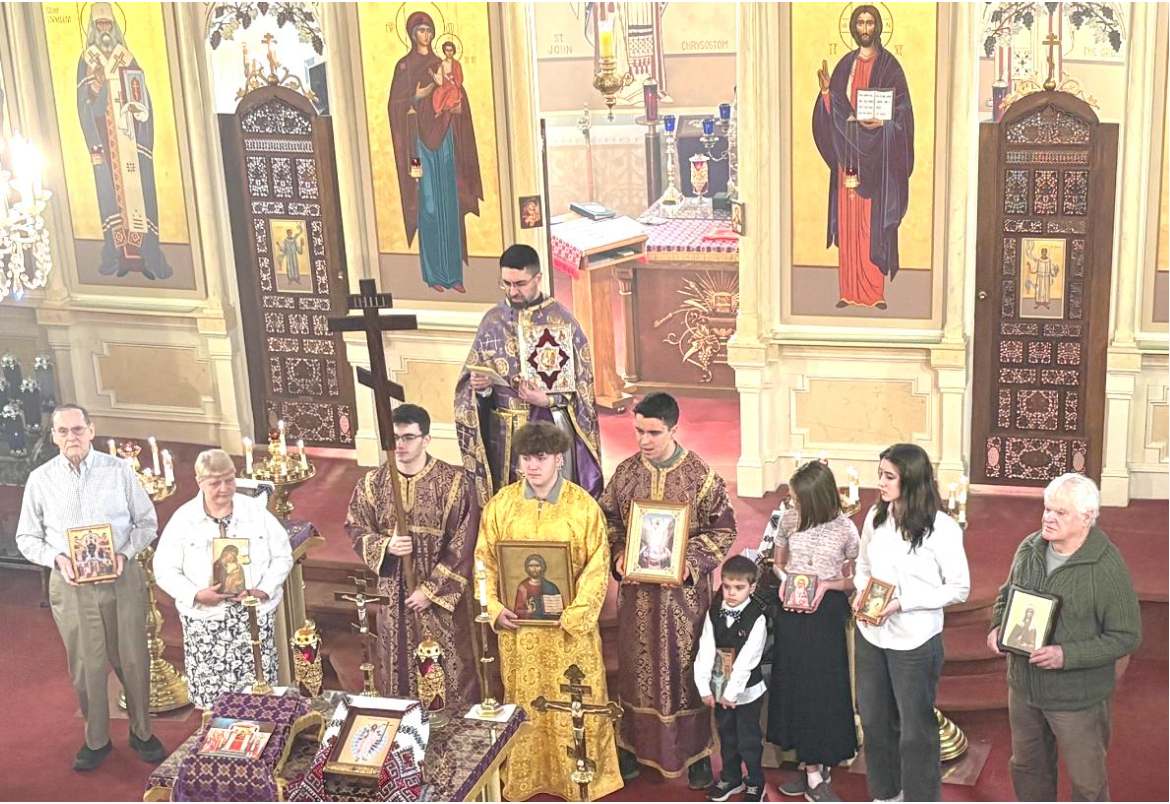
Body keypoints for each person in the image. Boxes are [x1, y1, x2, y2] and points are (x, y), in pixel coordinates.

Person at [474, 422, 621, 801]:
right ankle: (527, 777)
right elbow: (485, 562)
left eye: (541, 458)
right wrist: (494, 607)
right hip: (520, 633)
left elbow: (597, 567)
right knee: (525, 703)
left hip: (569, 632)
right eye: (526, 458)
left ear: (559, 459)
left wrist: (573, 616)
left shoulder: (582, 507)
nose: (533, 466)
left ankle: (581, 778)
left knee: (575, 704)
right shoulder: (501, 505)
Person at [16, 404, 165, 770]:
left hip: (121, 576)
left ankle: (142, 732)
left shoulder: (119, 472)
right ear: (53, 436)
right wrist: (57, 559)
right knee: (86, 664)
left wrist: (126, 553)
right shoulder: (40, 479)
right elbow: (26, 537)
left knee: (132, 657)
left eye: (78, 430)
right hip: (71, 584)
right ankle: (96, 739)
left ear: (92, 430)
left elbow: (147, 522)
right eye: (63, 431)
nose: (72, 437)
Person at [598, 392, 736, 788]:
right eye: (639, 430)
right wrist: (620, 554)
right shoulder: (625, 473)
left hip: (683, 600)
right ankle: (633, 748)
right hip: (637, 598)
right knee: (635, 669)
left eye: (654, 432)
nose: (644, 440)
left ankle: (693, 753)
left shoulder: (701, 476)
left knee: (684, 669)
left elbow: (723, 530)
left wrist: (687, 563)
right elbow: (607, 521)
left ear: (674, 429)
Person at [987, 474, 1140, 802]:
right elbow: (1005, 595)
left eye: (1060, 512)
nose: (1048, 518)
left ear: (1087, 518)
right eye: (1047, 509)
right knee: (1027, 767)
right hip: (1024, 687)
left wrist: (1066, 655)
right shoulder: (1029, 548)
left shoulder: (1106, 568)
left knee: (1087, 784)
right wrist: (998, 626)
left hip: (1076, 699)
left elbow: (1126, 636)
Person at [346, 403, 481, 715]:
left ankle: (449, 721)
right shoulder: (372, 484)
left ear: (427, 439)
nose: (400, 446)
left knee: (446, 662)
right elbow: (356, 526)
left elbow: (464, 543)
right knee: (396, 663)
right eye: (394, 438)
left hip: (439, 599)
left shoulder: (455, 484)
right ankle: (402, 724)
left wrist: (430, 591)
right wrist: (385, 546)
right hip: (393, 593)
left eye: (408, 437)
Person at [853, 444, 969, 802]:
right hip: (871, 635)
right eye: (880, 475)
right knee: (873, 722)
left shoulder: (943, 529)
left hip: (915, 641)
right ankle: (886, 794)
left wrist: (903, 604)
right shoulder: (876, 515)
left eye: (889, 476)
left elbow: (959, 588)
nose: (881, 483)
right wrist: (861, 593)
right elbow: (862, 566)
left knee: (915, 730)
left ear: (912, 480)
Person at [455, 244, 603, 505]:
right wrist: (483, 388)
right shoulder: (492, 320)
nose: (513, 291)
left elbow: (582, 391)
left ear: (538, 278)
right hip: (502, 435)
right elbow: (470, 386)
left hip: (545, 427)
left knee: (546, 507)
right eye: (507, 284)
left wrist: (547, 401)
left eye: (520, 283)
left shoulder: (562, 320)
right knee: (507, 507)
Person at [154, 449, 294, 709]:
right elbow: (164, 569)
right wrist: (196, 594)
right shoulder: (184, 519)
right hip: (206, 623)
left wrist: (263, 589)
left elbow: (283, 555)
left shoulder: (256, 511)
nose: (224, 489)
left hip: (253, 618)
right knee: (214, 703)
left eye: (229, 480)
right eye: (215, 483)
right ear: (199, 482)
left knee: (259, 696)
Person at [769, 461, 860, 802]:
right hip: (792, 610)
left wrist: (828, 586)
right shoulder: (789, 520)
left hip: (827, 612)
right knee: (797, 686)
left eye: (796, 499)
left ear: (816, 497)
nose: (791, 504)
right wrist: (784, 584)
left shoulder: (846, 530)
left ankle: (818, 764)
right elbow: (778, 565)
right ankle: (811, 773)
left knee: (824, 689)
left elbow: (857, 577)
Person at [812, 4, 913, 310]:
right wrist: (827, 93)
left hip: (879, 158)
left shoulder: (891, 66)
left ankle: (874, 292)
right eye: (860, 23)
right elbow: (834, 112)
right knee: (849, 221)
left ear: (878, 26)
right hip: (848, 155)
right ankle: (848, 291)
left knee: (871, 222)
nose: (865, 29)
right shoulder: (845, 65)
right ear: (854, 28)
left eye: (870, 23)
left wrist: (885, 123)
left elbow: (904, 112)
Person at [387, 11, 483, 292]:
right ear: (411, 33)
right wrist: (415, 96)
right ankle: (433, 275)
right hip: (420, 143)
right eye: (420, 30)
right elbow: (394, 105)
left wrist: (457, 108)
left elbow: (460, 99)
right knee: (428, 205)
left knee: (448, 204)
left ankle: (453, 276)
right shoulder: (403, 67)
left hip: (446, 139)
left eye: (429, 30)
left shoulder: (444, 64)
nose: (425, 35)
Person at [76, 2, 172, 280]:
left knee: (139, 195)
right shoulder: (87, 59)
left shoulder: (127, 58)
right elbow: (83, 105)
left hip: (130, 137)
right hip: (106, 141)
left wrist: (139, 112)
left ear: (115, 27)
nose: (104, 30)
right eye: (99, 26)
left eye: (108, 25)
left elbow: (142, 95)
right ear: (93, 29)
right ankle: (118, 257)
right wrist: (94, 91)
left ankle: (148, 258)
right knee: (112, 196)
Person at [694, 555, 768, 803]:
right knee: (726, 734)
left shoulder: (756, 617)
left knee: (748, 738)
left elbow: (748, 659)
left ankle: (756, 781)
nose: (731, 593)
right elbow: (706, 648)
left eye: (739, 588)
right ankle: (731, 777)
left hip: (746, 690)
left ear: (752, 587)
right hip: (719, 684)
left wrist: (732, 692)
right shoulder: (714, 611)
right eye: (727, 586)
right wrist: (704, 687)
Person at [512, 554, 563, 619]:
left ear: (542, 567)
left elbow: (560, 612)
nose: (534, 569)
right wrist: (528, 612)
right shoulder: (523, 587)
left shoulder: (551, 587)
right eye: (531, 566)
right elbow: (517, 612)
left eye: (537, 566)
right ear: (527, 568)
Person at [431, 41, 464, 115]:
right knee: (437, 93)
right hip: (445, 85)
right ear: (444, 51)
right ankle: (439, 111)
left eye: (451, 50)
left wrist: (454, 77)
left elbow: (460, 76)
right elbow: (440, 77)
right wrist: (433, 75)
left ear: (454, 51)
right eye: (447, 50)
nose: (449, 52)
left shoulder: (457, 64)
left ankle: (451, 108)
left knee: (452, 93)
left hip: (454, 85)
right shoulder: (442, 64)